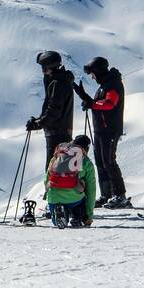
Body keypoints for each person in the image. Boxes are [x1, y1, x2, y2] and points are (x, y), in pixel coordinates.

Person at [75, 56, 129, 208]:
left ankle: (120, 196)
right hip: (101, 130)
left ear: (98, 71)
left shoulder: (113, 84)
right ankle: (106, 195)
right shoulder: (105, 84)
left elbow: (110, 104)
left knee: (109, 161)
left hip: (110, 130)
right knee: (100, 162)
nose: (92, 77)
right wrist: (85, 98)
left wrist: (92, 103)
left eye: (92, 73)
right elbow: (98, 104)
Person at [27, 50, 75, 183]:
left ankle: (55, 198)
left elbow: (54, 110)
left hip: (57, 131)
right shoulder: (58, 81)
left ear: (50, 66)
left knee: (54, 167)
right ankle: (57, 198)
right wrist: (39, 120)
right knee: (57, 166)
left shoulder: (58, 83)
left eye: (44, 66)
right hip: (58, 130)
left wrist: (39, 123)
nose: (42, 70)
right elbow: (52, 108)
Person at [45, 135, 97, 228]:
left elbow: (47, 179)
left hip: (53, 198)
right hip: (74, 199)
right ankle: (77, 216)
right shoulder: (86, 161)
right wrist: (89, 215)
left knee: (56, 223)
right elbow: (91, 190)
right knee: (82, 188)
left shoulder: (57, 156)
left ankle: (60, 213)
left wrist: (48, 196)